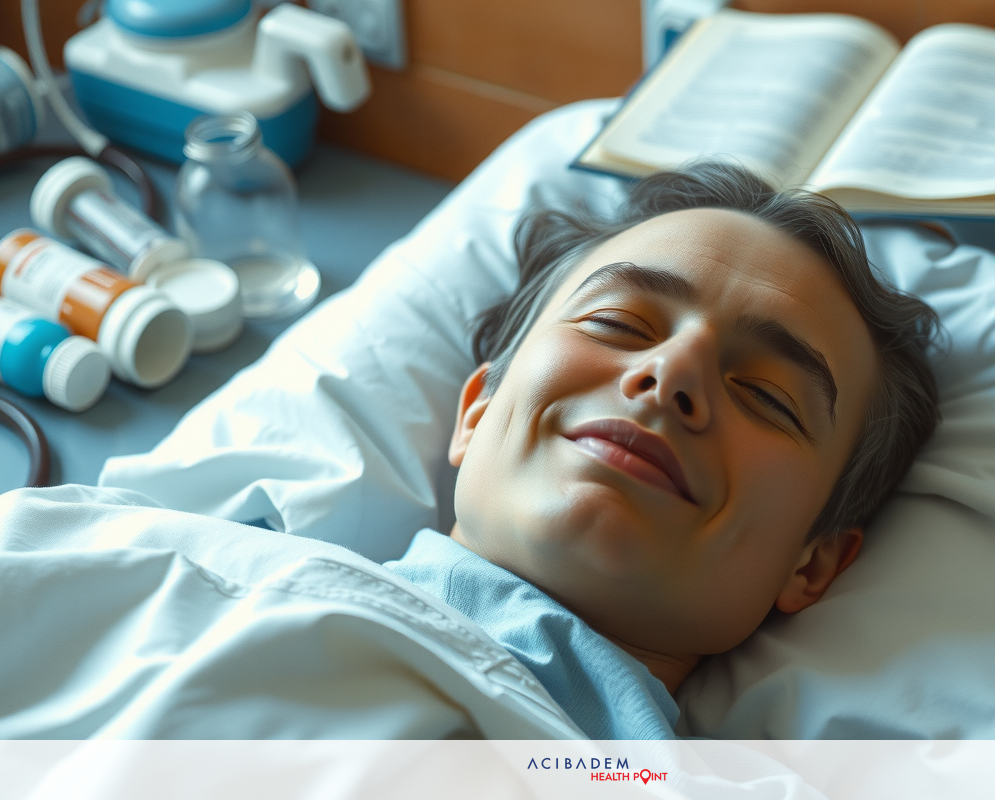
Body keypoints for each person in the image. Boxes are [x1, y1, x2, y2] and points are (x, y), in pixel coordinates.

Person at [386, 161, 939, 739]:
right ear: (476, 411)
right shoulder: (281, 568)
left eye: (765, 397)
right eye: (616, 323)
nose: (673, 371)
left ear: (811, 562)